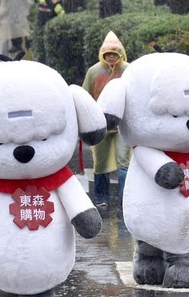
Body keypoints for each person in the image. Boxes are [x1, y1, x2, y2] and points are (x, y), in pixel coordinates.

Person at [82, 31, 131, 208]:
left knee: (124, 162)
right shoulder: (93, 71)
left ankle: (125, 198)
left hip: (122, 126)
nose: (111, 58)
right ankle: (101, 197)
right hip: (100, 125)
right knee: (100, 163)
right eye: (108, 54)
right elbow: (85, 96)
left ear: (120, 54)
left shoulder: (128, 70)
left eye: (114, 54)